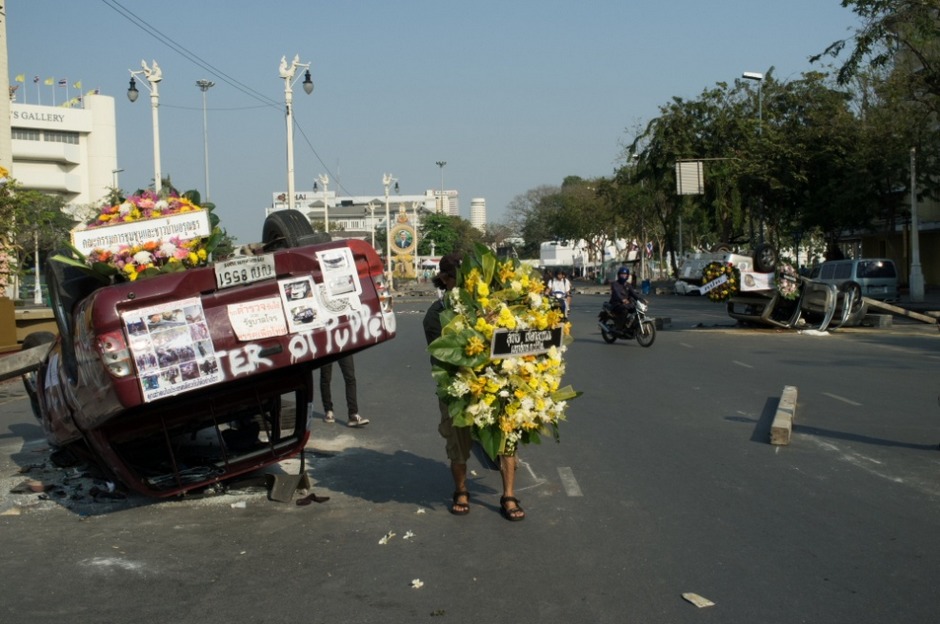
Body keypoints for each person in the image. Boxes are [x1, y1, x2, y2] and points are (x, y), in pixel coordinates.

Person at [423, 253, 525, 520]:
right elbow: (445, 357)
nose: (467, 284)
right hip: (458, 385)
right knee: (457, 442)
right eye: (460, 278)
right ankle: (461, 490)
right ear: (445, 279)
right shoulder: (435, 316)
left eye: (471, 278)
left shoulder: (487, 305)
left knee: (506, 438)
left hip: (497, 383)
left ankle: (509, 495)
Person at [320, 354, 369, 428]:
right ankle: (328, 411)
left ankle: (353, 414)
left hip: (343, 347)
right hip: (327, 347)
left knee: (350, 378)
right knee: (325, 378)